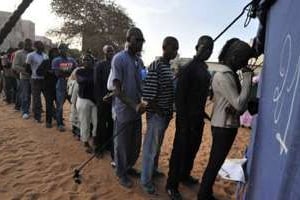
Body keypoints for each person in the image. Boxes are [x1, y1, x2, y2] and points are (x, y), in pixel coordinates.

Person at [197, 38, 255, 200]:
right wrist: (248, 78)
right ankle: (203, 194)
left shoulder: (227, 74)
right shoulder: (224, 76)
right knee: (215, 162)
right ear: (234, 57)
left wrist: (238, 105)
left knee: (216, 161)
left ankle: (205, 192)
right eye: (243, 60)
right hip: (223, 126)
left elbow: (238, 105)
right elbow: (239, 104)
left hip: (225, 124)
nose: (244, 64)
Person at [165, 36, 214, 200]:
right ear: (196, 47)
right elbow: (179, 97)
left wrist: (202, 113)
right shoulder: (188, 68)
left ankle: (184, 176)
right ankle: (171, 185)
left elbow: (200, 96)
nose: (207, 51)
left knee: (192, 150)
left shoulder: (205, 69)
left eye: (210, 49)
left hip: (198, 119)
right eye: (204, 47)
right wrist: (184, 122)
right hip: (185, 120)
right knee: (179, 152)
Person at [107, 27, 146, 188]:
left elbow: (142, 84)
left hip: (137, 111)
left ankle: (128, 167)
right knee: (121, 146)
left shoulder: (139, 61)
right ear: (128, 39)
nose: (141, 43)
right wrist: (134, 105)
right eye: (138, 40)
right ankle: (121, 173)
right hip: (124, 111)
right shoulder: (119, 59)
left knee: (135, 145)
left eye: (142, 41)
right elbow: (117, 90)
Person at [140, 36, 179, 194]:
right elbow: (149, 96)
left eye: (177, 49)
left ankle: (153, 171)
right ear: (165, 47)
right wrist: (160, 110)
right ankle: (146, 182)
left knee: (157, 146)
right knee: (150, 148)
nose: (176, 52)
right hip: (157, 115)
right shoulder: (156, 66)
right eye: (173, 48)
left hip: (164, 115)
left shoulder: (167, 67)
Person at [94, 45, 115, 158]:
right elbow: (97, 84)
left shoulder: (115, 65)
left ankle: (108, 145)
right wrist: (101, 99)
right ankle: (98, 148)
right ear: (104, 53)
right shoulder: (100, 65)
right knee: (101, 124)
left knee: (111, 124)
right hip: (102, 100)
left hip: (113, 100)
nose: (111, 53)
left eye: (112, 51)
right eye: (108, 51)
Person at [52, 43, 77, 132]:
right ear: (59, 50)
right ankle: (60, 123)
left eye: (65, 48)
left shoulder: (72, 60)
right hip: (61, 85)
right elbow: (57, 74)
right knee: (60, 106)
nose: (63, 50)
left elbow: (76, 71)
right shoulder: (56, 60)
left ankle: (75, 125)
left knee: (74, 105)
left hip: (71, 86)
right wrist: (69, 72)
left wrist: (64, 72)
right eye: (61, 49)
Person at [75, 55, 97, 153]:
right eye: (84, 60)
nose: (86, 61)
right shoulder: (79, 71)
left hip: (95, 101)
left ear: (92, 61)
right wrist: (94, 80)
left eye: (88, 60)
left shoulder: (95, 71)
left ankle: (95, 141)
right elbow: (81, 80)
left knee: (97, 123)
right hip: (83, 100)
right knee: (85, 122)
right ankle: (85, 141)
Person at [26, 41, 48, 123]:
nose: (41, 46)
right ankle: (37, 117)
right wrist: (33, 74)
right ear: (35, 47)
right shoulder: (31, 55)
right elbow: (27, 68)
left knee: (48, 97)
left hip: (44, 79)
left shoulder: (45, 56)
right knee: (36, 99)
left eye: (42, 45)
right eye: (39, 45)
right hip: (35, 79)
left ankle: (53, 115)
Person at [37, 48, 59, 128]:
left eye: (57, 52)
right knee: (49, 104)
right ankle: (48, 122)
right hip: (48, 87)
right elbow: (38, 72)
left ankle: (59, 120)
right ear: (50, 53)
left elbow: (67, 70)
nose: (56, 54)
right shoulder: (46, 62)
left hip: (58, 86)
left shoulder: (60, 61)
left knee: (59, 104)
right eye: (54, 52)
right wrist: (47, 72)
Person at [12, 38, 33, 119]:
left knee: (31, 95)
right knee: (25, 95)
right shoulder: (18, 53)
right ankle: (25, 111)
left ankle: (28, 108)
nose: (29, 46)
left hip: (34, 77)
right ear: (24, 44)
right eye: (27, 44)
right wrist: (26, 71)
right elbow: (15, 66)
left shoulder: (33, 53)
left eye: (30, 44)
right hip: (24, 77)